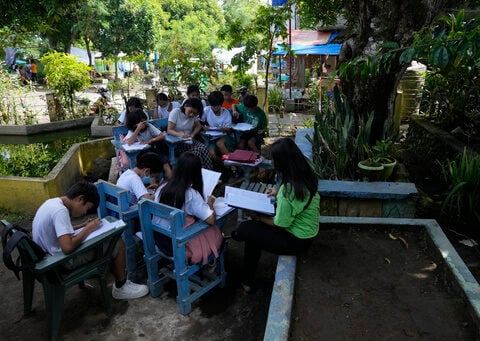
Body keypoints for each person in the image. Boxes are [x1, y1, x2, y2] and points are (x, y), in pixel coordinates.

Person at [230, 138, 320, 292]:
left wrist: (256, 216)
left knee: (246, 229)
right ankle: (247, 279)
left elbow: (280, 224)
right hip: (308, 232)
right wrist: (276, 191)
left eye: (274, 160)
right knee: (253, 234)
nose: (271, 163)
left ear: (282, 163)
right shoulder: (305, 172)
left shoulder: (287, 191)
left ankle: (246, 275)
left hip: (296, 240)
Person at [32, 181, 149, 300]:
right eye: (86, 208)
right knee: (117, 243)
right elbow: (67, 247)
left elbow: (59, 231)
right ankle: (121, 286)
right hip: (60, 264)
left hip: (47, 259)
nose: (84, 213)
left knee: (105, 241)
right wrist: (88, 229)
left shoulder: (52, 203)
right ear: (80, 199)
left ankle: (112, 275)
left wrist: (82, 226)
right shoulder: (60, 211)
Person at [153, 152, 223, 265]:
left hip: (159, 238)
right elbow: (211, 220)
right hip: (177, 244)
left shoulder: (162, 186)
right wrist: (210, 204)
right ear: (196, 173)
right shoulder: (190, 194)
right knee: (217, 226)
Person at [124, 109, 172, 180]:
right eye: (142, 122)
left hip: (153, 149)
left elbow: (162, 135)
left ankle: (172, 182)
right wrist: (137, 129)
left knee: (165, 163)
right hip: (141, 154)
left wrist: (151, 140)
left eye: (144, 121)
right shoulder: (132, 131)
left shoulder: (149, 126)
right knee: (150, 165)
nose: (144, 123)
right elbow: (129, 142)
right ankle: (153, 182)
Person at [167, 97, 213, 169]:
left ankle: (209, 172)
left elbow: (199, 126)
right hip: (178, 142)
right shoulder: (176, 112)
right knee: (196, 153)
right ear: (185, 106)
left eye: (194, 113)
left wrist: (193, 134)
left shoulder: (193, 115)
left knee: (204, 148)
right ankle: (200, 174)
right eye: (190, 111)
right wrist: (180, 134)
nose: (191, 115)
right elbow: (169, 130)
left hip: (189, 140)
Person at [202, 90, 235, 159]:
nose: (214, 108)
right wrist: (204, 127)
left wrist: (224, 129)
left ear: (221, 104)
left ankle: (232, 164)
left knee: (220, 143)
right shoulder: (206, 110)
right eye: (212, 106)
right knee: (211, 152)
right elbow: (200, 123)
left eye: (217, 106)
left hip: (224, 136)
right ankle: (223, 165)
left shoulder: (226, 113)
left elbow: (229, 131)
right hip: (212, 137)